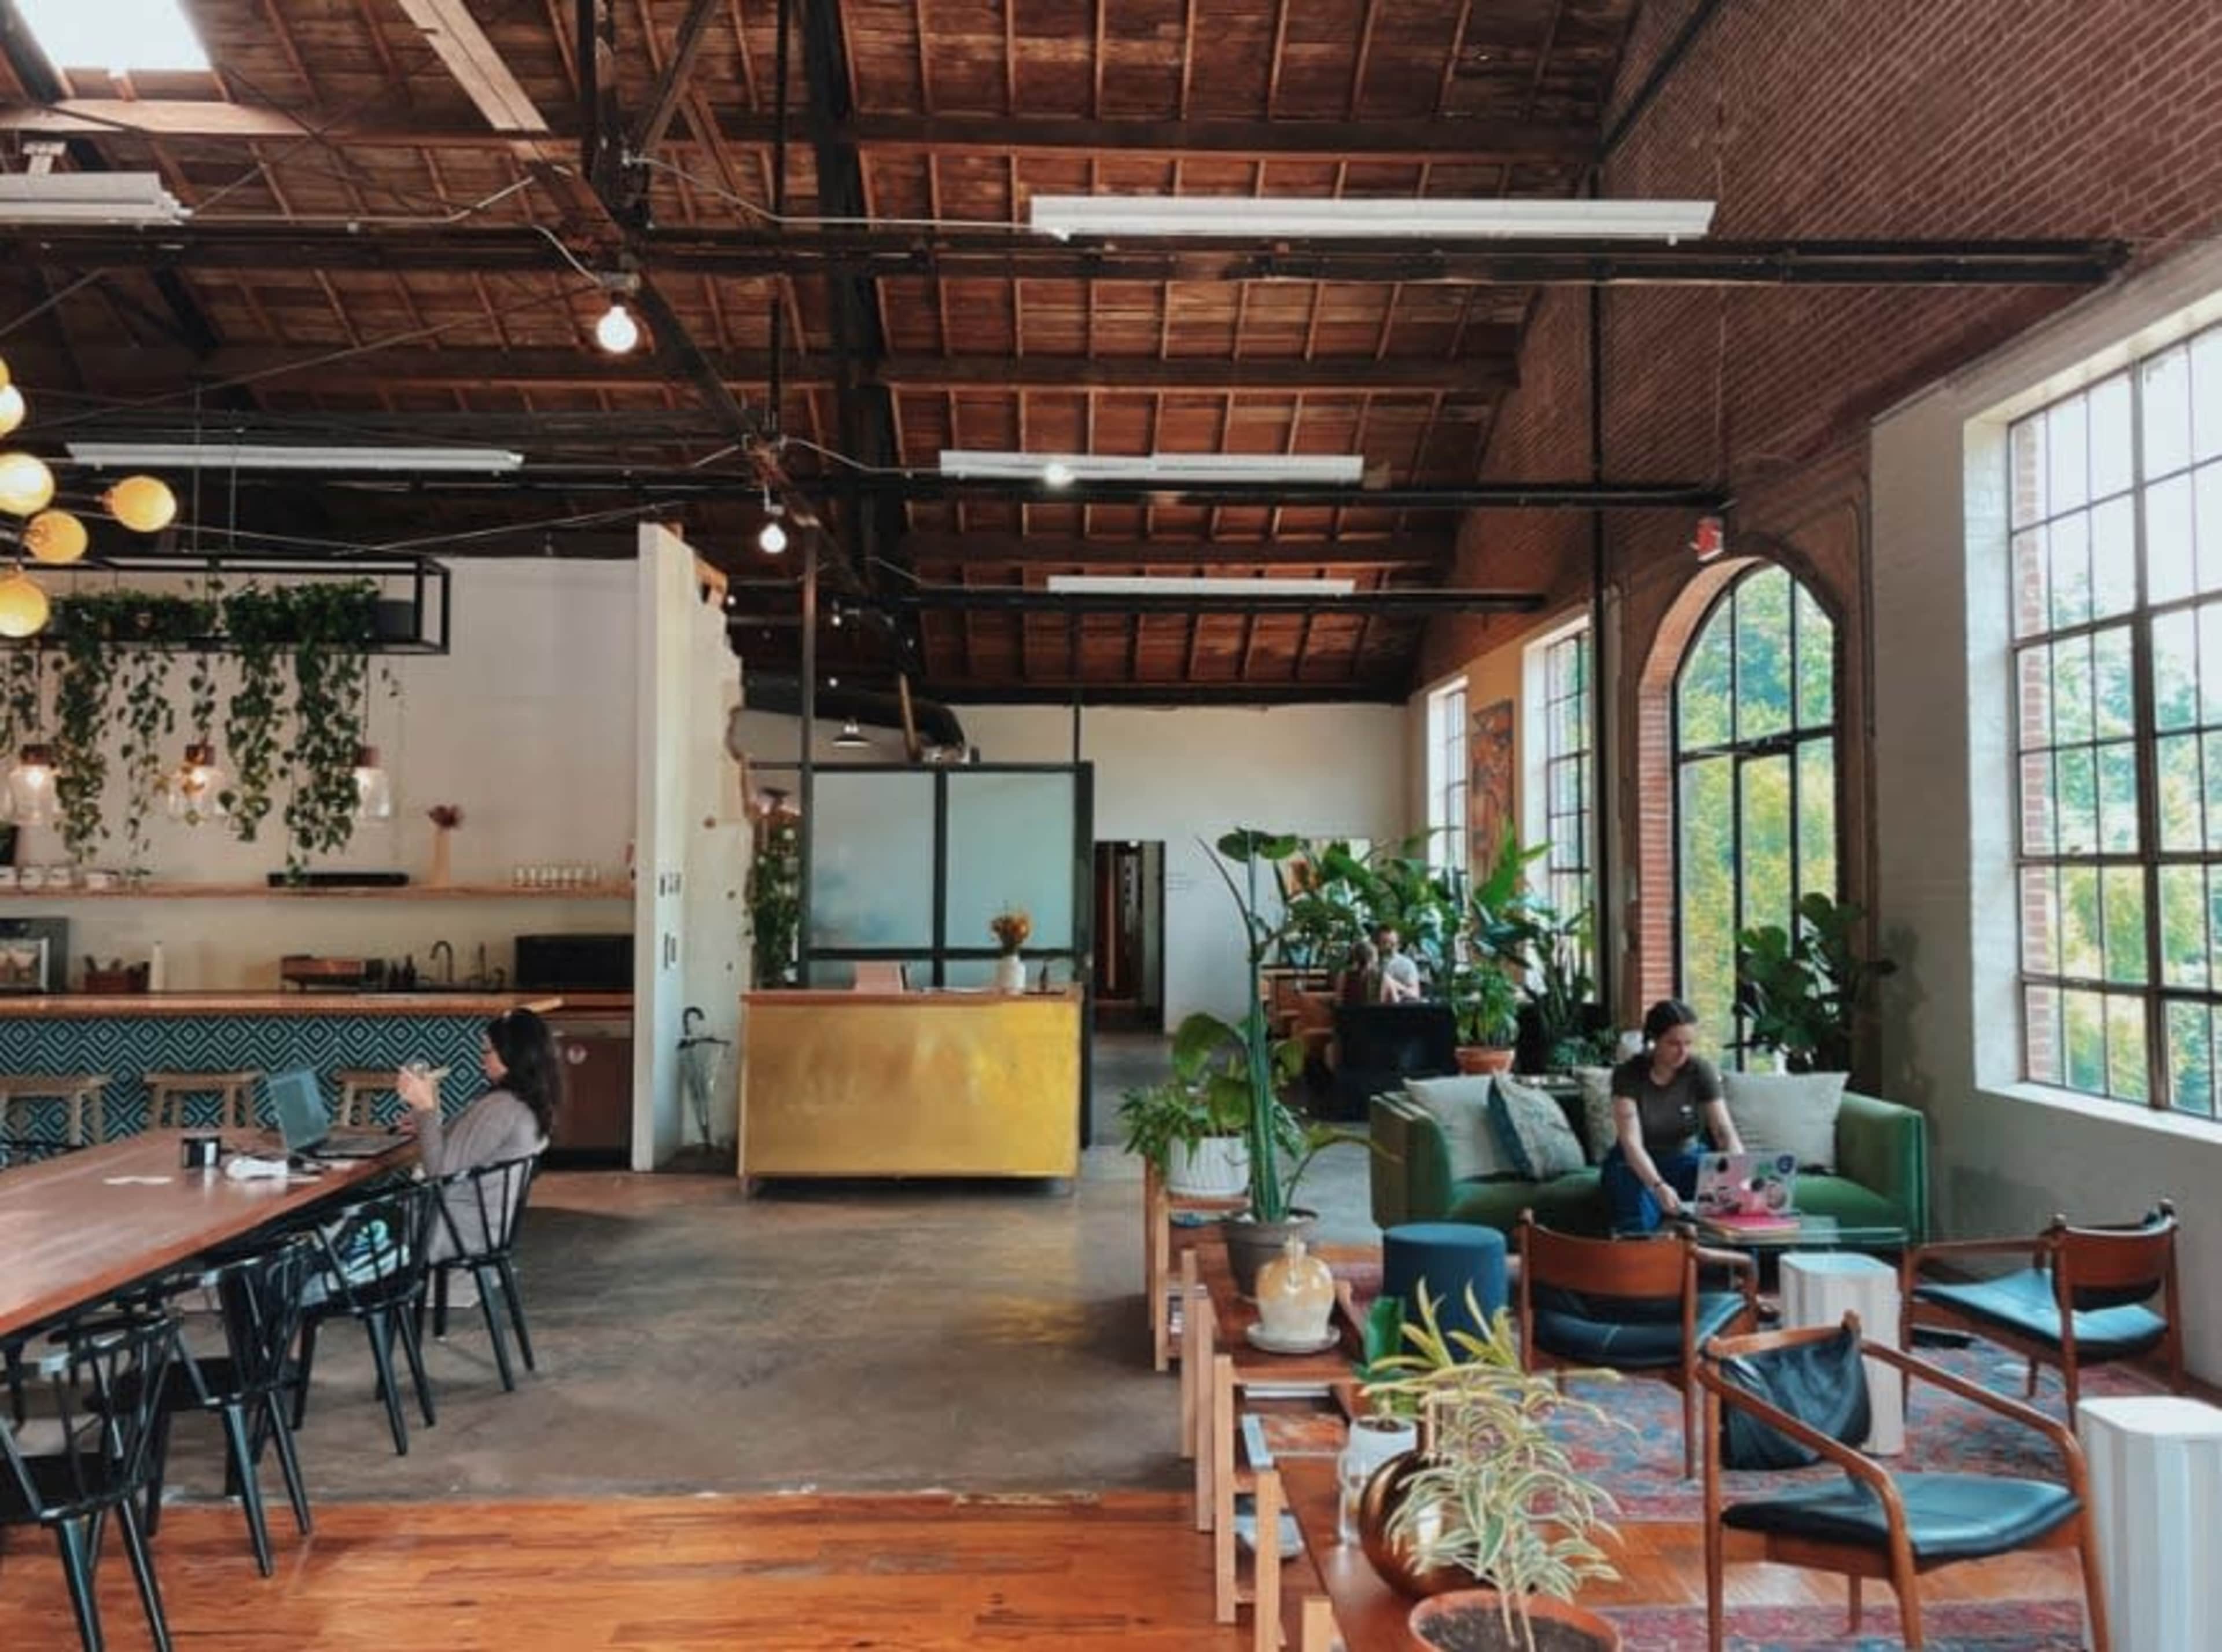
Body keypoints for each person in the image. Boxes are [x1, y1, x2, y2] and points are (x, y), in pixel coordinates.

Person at [398, 1007, 560, 1265]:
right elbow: (473, 1148)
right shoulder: (526, 1102)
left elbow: (438, 1171)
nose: (481, 1060)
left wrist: (425, 1108)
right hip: (484, 1227)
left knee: (351, 1221)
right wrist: (430, 1127)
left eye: (487, 1052)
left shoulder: (501, 1108)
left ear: (513, 1055)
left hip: (454, 1229)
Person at [1599, 998, 1743, 1235]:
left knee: (1729, 1198)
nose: (1683, 1052)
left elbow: (1723, 1129)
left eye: (1689, 1043)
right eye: (1674, 1044)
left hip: (1686, 1157)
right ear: (1654, 1041)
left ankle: (1737, 1267)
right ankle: (1645, 1266)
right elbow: (1631, 1144)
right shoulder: (1628, 1075)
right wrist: (1658, 1185)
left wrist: (1740, 1170)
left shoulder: (1700, 1070)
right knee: (1634, 1203)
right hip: (1634, 1163)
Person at [1370, 925, 1422, 1004]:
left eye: (1394, 944)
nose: (1390, 948)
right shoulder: (1368, 964)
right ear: (1375, 944)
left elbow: (1415, 994)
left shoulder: (1407, 964)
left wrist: (1392, 984)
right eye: (1385, 943)